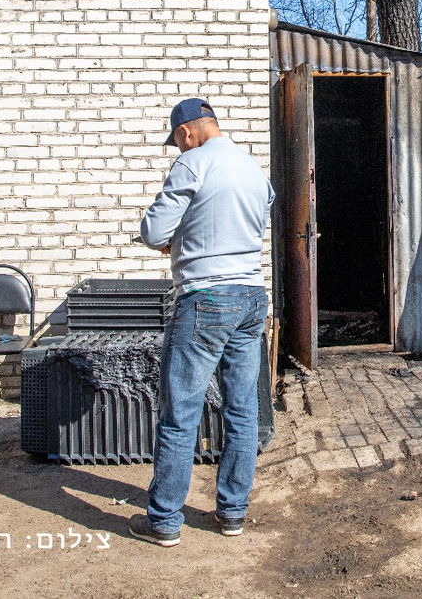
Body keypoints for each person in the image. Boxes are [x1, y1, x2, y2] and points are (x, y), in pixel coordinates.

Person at [128, 97, 275, 545]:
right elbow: (240, 226)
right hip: (251, 297)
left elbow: (153, 232)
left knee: (180, 414)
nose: (178, 149)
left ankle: (165, 522)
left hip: (207, 298)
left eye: (177, 141)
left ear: (187, 132)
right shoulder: (253, 168)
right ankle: (232, 513)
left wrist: (173, 241)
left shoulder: (193, 163)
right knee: (243, 412)